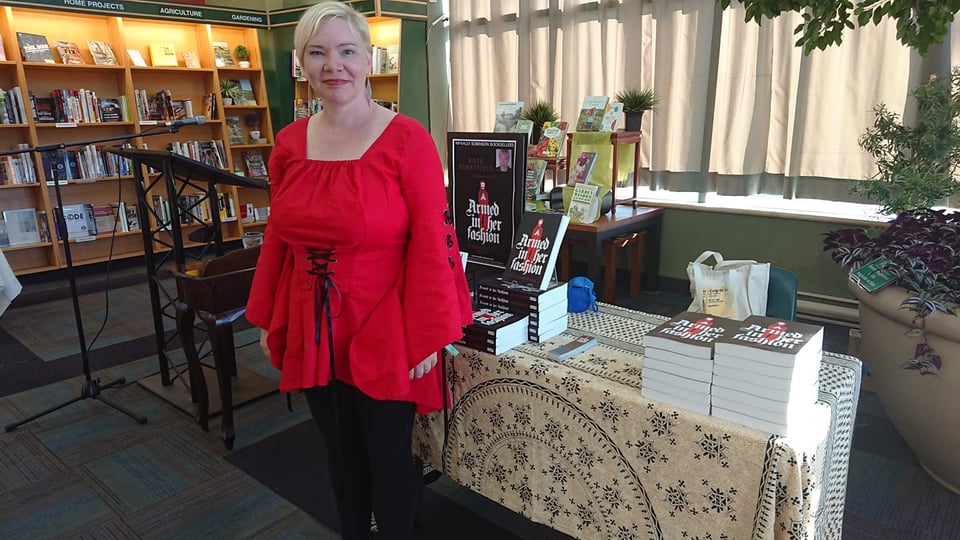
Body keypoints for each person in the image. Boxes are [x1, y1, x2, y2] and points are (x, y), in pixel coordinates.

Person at [245, 2, 473, 539]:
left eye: (346, 51)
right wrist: (268, 314)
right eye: (317, 53)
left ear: (368, 59)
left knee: (388, 456)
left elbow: (433, 240)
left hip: (385, 322)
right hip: (311, 320)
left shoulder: (408, 139)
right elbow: (279, 236)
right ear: (302, 62)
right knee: (339, 452)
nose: (333, 66)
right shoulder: (289, 143)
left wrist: (424, 332)